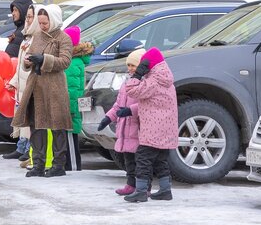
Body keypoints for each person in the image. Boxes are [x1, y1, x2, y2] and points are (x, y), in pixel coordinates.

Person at [12, 5, 74, 178]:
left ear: (53, 20)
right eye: (40, 23)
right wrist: (28, 61)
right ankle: (38, 164)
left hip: (54, 88)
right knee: (37, 126)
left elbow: (65, 61)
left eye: (45, 23)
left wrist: (44, 59)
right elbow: (29, 56)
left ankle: (58, 164)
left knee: (57, 126)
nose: (43, 26)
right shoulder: (37, 36)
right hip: (36, 87)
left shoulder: (64, 38)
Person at [122, 48, 178, 203]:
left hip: (154, 127)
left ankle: (140, 190)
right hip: (166, 127)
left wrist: (137, 75)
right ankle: (165, 190)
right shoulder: (166, 79)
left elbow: (131, 90)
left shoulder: (154, 81)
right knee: (160, 159)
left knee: (143, 157)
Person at [99, 49, 146, 196]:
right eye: (129, 65)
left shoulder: (144, 83)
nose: (130, 68)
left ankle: (142, 186)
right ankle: (130, 184)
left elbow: (145, 105)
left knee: (141, 161)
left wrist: (129, 110)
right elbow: (118, 105)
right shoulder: (126, 83)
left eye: (134, 65)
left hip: (137, 128)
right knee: (129, 161)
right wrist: (108, 118)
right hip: (125, 129)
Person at [3, 4, 37, 163]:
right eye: (28, 17)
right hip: (21, 84)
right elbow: (18, 65)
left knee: (29, 119)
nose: (28, 20)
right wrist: (14, 81)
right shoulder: (26, 36)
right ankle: (21, 146)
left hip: (30, 84)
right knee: (22, 118)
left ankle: (29, 148)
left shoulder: (37, 38)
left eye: (31, 17)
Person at [62, 25, 94, 172]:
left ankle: (74, 166)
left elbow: (75, 88)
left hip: (71, 106)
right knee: (67, 135)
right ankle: (69, 164)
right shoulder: (70, 60)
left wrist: (71, 107)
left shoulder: (75, 63)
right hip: (66, 104)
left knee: (71, 136)